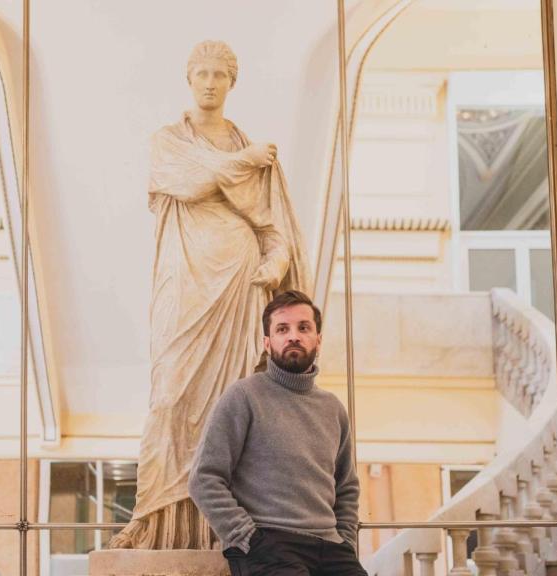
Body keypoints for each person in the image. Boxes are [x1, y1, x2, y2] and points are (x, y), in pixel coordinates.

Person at [108, 40, 311, 550]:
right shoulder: (169, 141)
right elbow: (192, 184)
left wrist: (278, 258)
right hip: (186, 277)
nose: (209, 82)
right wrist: (243, 158)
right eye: (200, 73)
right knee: (171, 392)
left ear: (231, 82)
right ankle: (153, 517)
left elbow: (273, 226)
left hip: (240, 278)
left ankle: (234, 526)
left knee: (238, 399)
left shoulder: (254, 153)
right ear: (188, 79)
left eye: (219, 74)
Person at [189, 290, 367, 575]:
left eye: (304, 327)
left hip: (331, 547)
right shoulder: (243, 396)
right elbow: (204, 478)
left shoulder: (333, 408)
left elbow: (346, 487)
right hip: (269, 542)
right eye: (282, 329)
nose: (293, 336)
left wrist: (345, 541)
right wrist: (247, 537)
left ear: (318, 341)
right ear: (267, 342)